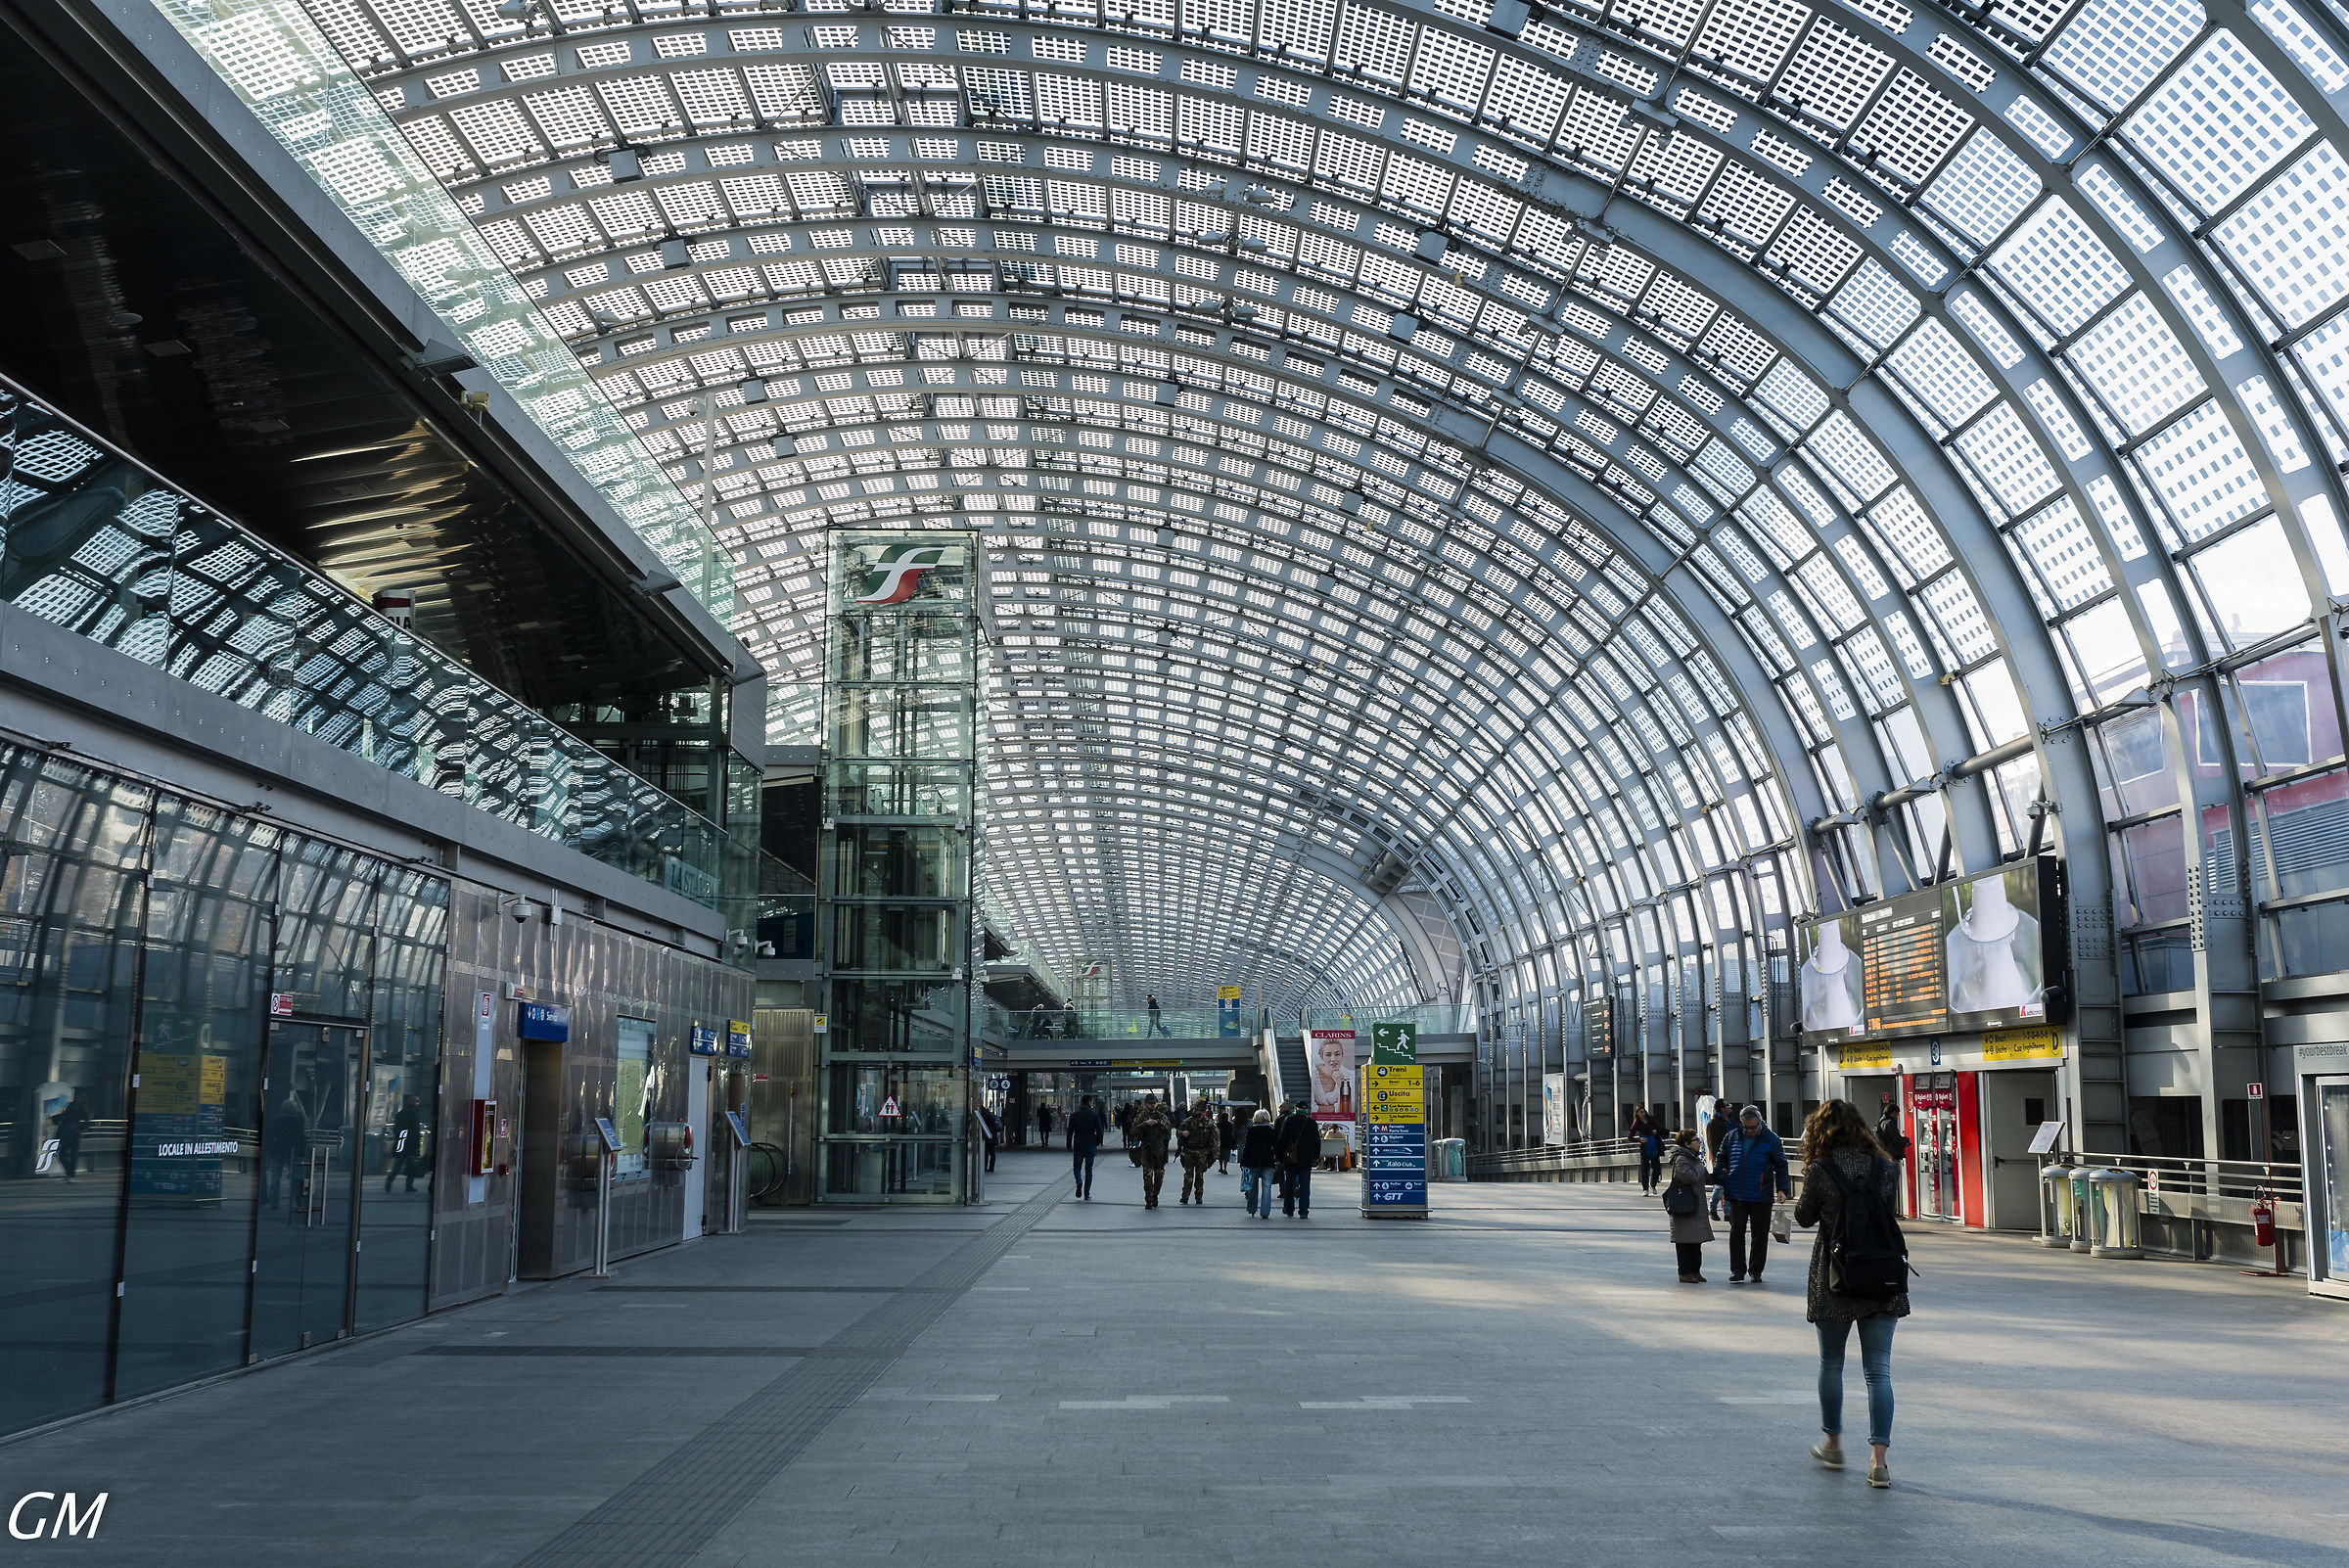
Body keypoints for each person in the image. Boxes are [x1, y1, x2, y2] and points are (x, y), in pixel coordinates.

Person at [1795, 1099, 1910, 1489]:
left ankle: (1833, 1443)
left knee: (1832, 1363)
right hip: (1881, 1273)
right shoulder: (1885, 1168)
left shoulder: (1820, 1169)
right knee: (1879, 1371)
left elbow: (1804, 1217)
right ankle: (1879, 1462)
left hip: (1836, 1276)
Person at [1712, 1104, 1791, 1284]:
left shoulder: (1771, 1139)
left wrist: (1782, 1189)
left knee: (1760, 1234)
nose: (1750, 1131)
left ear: (1760, 1122)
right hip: (1736, 1193)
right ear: (1741, 1123)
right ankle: (1738, 1270)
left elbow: (1781, 1165)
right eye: (1746, 1127)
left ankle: (1756, 1271)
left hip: (1761, 1194)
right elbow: (1721, 1156)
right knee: (1736, 1232)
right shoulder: (1731, 1136)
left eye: (1754, 1127)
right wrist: (1721, 1172)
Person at [1666, 1130, 1712, 1282]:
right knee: (1684, 1242)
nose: (1699, 1142)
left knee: (1695, 1241)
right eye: (1696, 1140)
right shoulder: (1681, 1159)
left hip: (1694, 1205)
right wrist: (1700, 1166)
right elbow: (1688, 1176)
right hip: (1684, 1206)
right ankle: (1685, 1273)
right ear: (1687, 1143)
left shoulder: (1693, 1158)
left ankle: (1695, 1271)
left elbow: (1706, 1177)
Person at [1274, 1097, 1318, 1218]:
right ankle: (1303, 1211)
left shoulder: (1289, 1120)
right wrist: (1315, 1157)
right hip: (1306, 1160)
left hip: (1291, 1159)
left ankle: (1289, 1209)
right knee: (1305, 1185)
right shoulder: (1311, 1122)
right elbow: (1317, 1142)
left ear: (1295, 1109)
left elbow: (1282, 1139)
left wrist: (1279, 1156)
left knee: (1289, 1183)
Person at [1129, 1096, 1174, 1209]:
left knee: (1159, 1175)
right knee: (1147, 1175)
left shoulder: (1160, 1116)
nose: (1152, 1105)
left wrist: (1159, 1124)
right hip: (1146, 1148)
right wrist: (1145, 1124)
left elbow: (1169, 1128)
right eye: (1150, 1103)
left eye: (1154, 1103)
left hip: (1158, 1148)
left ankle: (1155, 1195)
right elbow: (1133, 1130)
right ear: (1145, 1104)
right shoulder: (1141, 1116)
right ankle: (1148, 1199)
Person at [1239, 1108, 1279, 1219]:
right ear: (1267, 1118)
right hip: (1268, 1161)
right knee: (1267, 1187)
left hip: (1253, 1161)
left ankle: (1252, 1209)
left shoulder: (1251, 1131)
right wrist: (1277, 1158)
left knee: (1252, 1186)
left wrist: (1243, 1162)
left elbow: (1247, 1148)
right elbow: (1276, 1147)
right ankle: (1265, 1212)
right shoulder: (1272, 1131)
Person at [1176, 1099, 1219, 1204]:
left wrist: (1216, 1152)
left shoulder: (1209, 1123)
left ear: (1202, 1111)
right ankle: (1185, 1196)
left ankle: (1198, 1196)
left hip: (1202, 1152)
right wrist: (1182, 1133)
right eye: (1194, 1110)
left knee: (1199, 1176)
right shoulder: (1188, 1121)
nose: (1194, 1112)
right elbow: (1178, 1131)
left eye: (1197, 1110)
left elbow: (1216, 1137)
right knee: (1188, 1176)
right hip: (1189, 1152)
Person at [1066, 1094, 1105, 1199]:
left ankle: (1079, 1181)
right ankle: (1087, 1194)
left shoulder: (1074, 1115)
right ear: (1089, 1102)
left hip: (1078, 1144)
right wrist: (1097, 1143)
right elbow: (1100, 1131)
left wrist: (1069, 1145)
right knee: (1089, 1170)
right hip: (1090, 1144)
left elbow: (1069, 1131)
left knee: (1077, 1167)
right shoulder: (1094, 1115)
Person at [384, 1092, 424, 1192]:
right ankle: (409, 1185)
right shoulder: (414, 1114)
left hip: (401, 1142)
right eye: (416, 1101)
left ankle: (390, 1179)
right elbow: (415, 1131)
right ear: (413, 1102)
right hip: (410, 1143)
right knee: (411, 1165)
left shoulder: (401, 1113)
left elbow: (397, 1128)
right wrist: (416, 1145)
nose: (418, 1103)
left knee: (399, 1163)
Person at [50, 1089, 92, 1181]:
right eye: (76, 1097)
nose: (77, 1099)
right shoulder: (70, 1105)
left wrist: (78, 1127)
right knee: (62, 1155)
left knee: (73, 1154)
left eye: (79, 1097)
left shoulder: (82, 1109)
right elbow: (63, 1115)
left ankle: (71, 1174)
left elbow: (87, 1123)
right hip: (64, 1132)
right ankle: (69, 1172)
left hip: (74, 1134)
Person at [1636, 1122, 1664, 1195]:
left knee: (1656, 1168)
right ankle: (1645, 1189)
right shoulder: (1639, 1124)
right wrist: (1639, 1140)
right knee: (1644, 1168)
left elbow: (1663, 1131)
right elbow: (1632, 1135)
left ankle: (1653, 1185)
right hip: (1644, 1148)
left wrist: (1656, 1131)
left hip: (1654, 1147)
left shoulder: (1653, 1123)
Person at [977, 1101, 999, 1173]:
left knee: (986, 1152)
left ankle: (985, 1167)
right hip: (992, 1135)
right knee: (992, 1152)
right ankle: (991, 1167)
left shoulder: (983, 1115)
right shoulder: (988, 1113)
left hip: (987, 1136)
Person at [1216, 1105, 1236, 1176]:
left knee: (1220, 1156)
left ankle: (1220, 1167)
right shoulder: (1230, 1125)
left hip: (1220, 1142)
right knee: (1226, 1156)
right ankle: (1225, 1168)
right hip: (1228, 1142)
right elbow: (1232, 1134)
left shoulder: (1218, 1124)